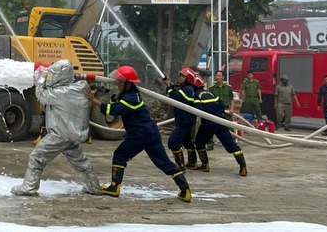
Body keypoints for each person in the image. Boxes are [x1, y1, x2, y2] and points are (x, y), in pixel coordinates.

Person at [86, 65, 192, 202]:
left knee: (119, 155)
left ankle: (114, 187)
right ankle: (185, 190)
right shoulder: (131, 93)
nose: (117, 83)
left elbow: (112, 110)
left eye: (119, 81)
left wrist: (93, 100)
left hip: (139, 134)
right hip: (150, 132)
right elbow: (116, 100)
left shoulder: (130, 98)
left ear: (128, 83)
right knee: (163, 163)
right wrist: (117, 93)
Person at [11, 59, 102, 196]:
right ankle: (94, 186)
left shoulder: (61, 93)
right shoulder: (81, 88)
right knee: (80, 161)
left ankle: (29, 187)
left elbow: (41, 95)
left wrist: (41, 79)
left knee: (36, 157)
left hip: (59, 134)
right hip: (71, 134)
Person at [193, 74, 248, 176]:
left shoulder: (197, 95)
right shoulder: (210, 93)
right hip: (220, 121)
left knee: (199, 143)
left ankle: (205, 165)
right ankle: (243, 167)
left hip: (208, 124)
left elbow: (199, 111)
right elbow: (221, 104)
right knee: (231, 146)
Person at [162, 67, 198, 171]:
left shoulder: (188, 89)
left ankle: (180, 166)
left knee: (173, 142)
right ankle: (192, 163)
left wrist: (168, 87)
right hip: (185, 120)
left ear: (188, 79)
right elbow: (177, 93)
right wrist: (169, 85)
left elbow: (174, 96)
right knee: (187, 142)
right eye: (180, 75)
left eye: (183, 76)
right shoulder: (186, 89)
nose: (180, 77)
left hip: (184, 121)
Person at [31, 62, 50, 145]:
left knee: (47, 118)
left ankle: (43, 137)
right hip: (49, 99)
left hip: (50, 100)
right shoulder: (49, 75)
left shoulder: (50, 76)